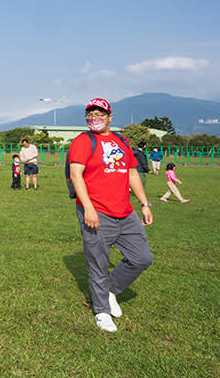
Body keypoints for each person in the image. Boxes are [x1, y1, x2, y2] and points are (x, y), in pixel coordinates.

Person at [68, 98, 154, 333]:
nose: (95, 118)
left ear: (110, 116)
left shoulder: (121, 141)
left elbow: (132, 174)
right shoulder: (83, 141)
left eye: (100, 114)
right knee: (99, 263)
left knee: (142, 258)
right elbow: (76, 175)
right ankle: (102, 312)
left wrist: (144, 204)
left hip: (125, 212)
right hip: (96, 211)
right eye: (90, 115)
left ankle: (110, 291)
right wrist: (88, 208)